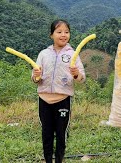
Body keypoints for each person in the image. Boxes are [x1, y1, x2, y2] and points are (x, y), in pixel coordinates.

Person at [32, 19, 86, 163]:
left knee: (61, 134)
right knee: (47, 134)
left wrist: (75, 73)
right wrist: (36, 76)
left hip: (63, 100)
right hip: (44, 100)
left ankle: (59, 160)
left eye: (67, 32)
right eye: (59, 32)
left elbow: (81, 78)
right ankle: (48, 160)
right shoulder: (43, 54)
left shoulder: (73, 54)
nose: (63, 35)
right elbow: (35, 78)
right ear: (51, 35)